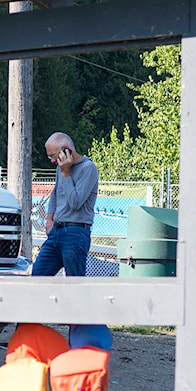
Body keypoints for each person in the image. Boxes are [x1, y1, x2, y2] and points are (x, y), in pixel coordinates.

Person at [33, 132, 112, 351]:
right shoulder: (60, 169)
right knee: (35, 281)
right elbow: (56, 195)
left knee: (75, 287)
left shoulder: (88, 169)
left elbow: (76, 202)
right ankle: (28, 337)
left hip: (76, 233)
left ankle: (77, 346)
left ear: (66, 149)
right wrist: (49, 218)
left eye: (53, 155)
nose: (51, 160)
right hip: (56, 233)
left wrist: (66, 172)